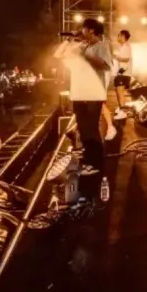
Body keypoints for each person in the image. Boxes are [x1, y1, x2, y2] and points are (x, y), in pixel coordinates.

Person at [53, 19, 113, 203]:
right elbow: (58, 55)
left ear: (91, 30)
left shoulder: (102, 45)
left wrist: (85, 55)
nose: (81, 31)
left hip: (93, 94)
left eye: (84, 29)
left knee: (91, 129)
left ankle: (96, 164)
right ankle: (88, 161)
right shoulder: (81, 46)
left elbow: (105, 66)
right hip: (78, 93)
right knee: (83, 129)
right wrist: (69, 40)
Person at [112, 30, 133, 121]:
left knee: (120, 93)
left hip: (123, 73)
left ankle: (123, 112)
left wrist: (115, 57)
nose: (118, 37)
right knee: (118, 91)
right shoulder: (123, 47)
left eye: (119, 36)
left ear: (123, 36)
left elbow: (126, 59)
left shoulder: (126, 46)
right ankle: (121, 108)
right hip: (121, 73)